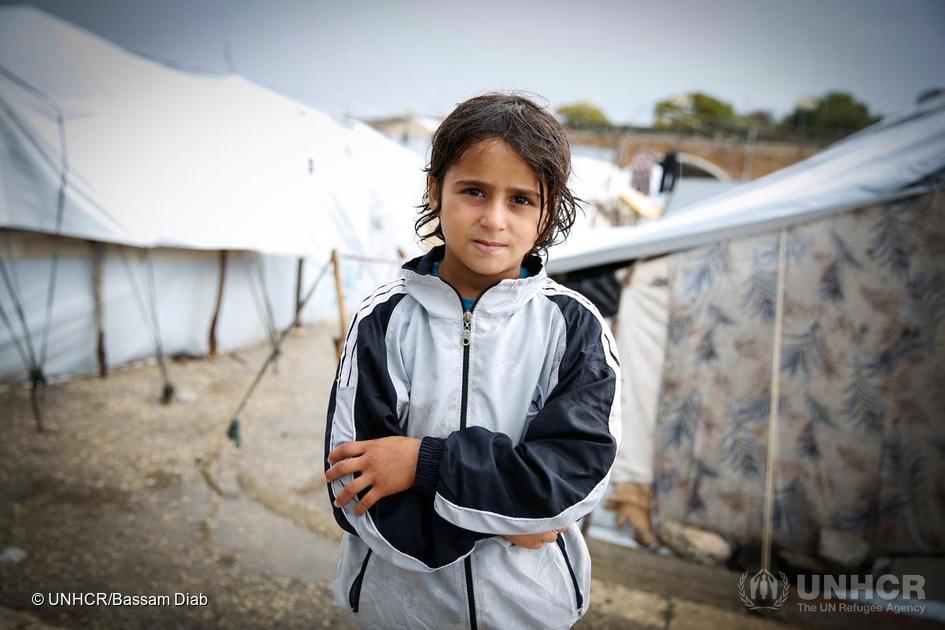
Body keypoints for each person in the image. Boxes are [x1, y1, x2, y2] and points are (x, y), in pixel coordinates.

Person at [324, 92, 622, 630]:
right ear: (436, 191)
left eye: (520, 200)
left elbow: (568, 481)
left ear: (548, 211)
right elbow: (353, 491)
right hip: (398, 610)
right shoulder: (383, 321)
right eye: (474, 191)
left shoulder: (576, 328)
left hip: (528, 608)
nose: (493, 219)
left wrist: (423, 464)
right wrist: (507, 520)